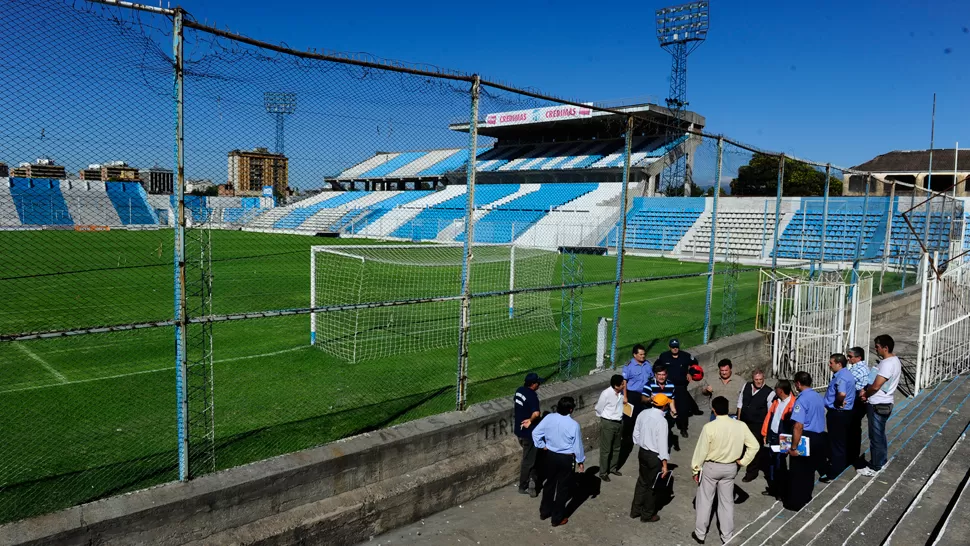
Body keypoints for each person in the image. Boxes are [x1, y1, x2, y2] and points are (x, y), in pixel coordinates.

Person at [691, 396, 760, 545]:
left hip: (711, 467)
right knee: (727, 503)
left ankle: (700, 534)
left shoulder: (709, 427)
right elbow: (754, 446)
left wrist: (696, 469)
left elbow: (701, 451)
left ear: (713, 410)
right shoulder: (740, 425)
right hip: (730, 468)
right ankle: (727, 536)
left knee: (705, 501)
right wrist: (743, 462)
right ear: (728, 408)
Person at [532, 396, 585, 527]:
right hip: (566, 458)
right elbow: (577, 445)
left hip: (550, 455)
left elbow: (536, 433)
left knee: (549, 484)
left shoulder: (549, 418)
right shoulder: (574, 425)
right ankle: (557, 518)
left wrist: (542, 445)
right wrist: (580, 461)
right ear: (571, 410)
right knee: (563, 488)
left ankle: (544, 511)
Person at [858, 334, 901, 478]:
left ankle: (875, 466)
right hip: (884, 402)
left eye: (877, 347)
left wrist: (866, 394)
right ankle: (880, 460)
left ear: (885, 348)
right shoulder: (894, 360)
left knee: (875, 436)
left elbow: (876, 386)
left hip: (878, 404)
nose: (875, 349)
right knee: (880, 434)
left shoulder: (887, 364)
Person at [785, 371, 826, 511]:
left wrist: (794, 447)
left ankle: (795, 502)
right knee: (809, 470)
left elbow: (798, 426)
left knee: (798, 471)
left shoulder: (801, 400)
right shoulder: (818, 396)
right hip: (818, 436)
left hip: (805, 437)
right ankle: (807, 496)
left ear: (797, 383)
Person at [630, 393, 672, 523]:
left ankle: (635, 510)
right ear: (664, 406)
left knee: (642, 481)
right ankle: (647, 514)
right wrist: (664, 464)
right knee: (652, 486)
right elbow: (662, 445)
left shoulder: (643, 414)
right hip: (654, 456)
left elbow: (635, 434)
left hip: (642, 452)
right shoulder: (662, 421)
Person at [655, 338, 701, 437]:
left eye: (676, 347)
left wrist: (690, 373)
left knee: (683, 409)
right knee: (663, 408)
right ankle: (663, 429)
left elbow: (695, 364)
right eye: (673, 347)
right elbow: (656, 367)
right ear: (669, 347)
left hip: (681, 387)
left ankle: (683, 428)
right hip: (667, 387)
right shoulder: (664, 356)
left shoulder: (685, 356)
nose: (675, 349)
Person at [737, 369, 775, 483]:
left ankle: (751, 472)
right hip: (744, 422)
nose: (758, 382)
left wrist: (765, 430)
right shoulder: (746, 386)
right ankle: (736, 465)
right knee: (740, 446)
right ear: (753, 379)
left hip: (758, 425)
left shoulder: (769, 392)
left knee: (754, 448)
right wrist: (738, 419)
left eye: (760, 380)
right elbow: (740, 403)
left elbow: (770, 412)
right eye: (756, 380)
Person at [823, 353, 856, 479]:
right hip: (845, 414)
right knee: (841, 441)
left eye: (831, 363)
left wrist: (837, 403)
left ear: (839, 364)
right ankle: (841, 464)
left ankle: (834, 471)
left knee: (836, 442)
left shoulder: (841, 377)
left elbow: (841, 393)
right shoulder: (847, 374)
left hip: (838, 414)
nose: (829, 365)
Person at [760, 380, 795, 500]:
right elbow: (769, 416)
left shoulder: (793, 403)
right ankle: (774, 488)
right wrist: (765, 433)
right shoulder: (776, 400)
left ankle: (782, 490)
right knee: (772, 463)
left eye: (776, 389)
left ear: (780, 390)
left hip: (784, 437)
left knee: (781, 464)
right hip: (773, 435)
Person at [514, 372, 542, 497]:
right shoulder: (532, 396)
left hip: (519, 431)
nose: (539, 384)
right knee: (529, 460)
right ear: (532, 384)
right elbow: (536, 413)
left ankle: (532, 480)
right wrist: (530, 420)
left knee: (533, 458)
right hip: (529, 433)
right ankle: (523, 485)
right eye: (537, 382)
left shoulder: (519, 391)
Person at [595, 374, 626, 481]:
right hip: (608, 423)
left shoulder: (621, 393)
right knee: (606, 449)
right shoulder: (606, 394)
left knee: (617, 447)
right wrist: (605, 420)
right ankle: (603, 472)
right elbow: (599, 408)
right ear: (616, 386)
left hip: (619, 422)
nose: (624, 385)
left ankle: (613, 468)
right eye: (622, 384)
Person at [644, 363, 679, 451]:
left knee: (664, 435)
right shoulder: (649, 384)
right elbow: (643, 398)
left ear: (666, 375)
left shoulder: (671, 385)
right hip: (652, 416)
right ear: (655, 375)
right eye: (659, 375)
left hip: (665, 415)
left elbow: (671, 399)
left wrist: (673, 410)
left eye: (663, 375)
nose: (661, 377)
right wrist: (649, 399)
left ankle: (663, 452)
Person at [846, 346, 870, 469]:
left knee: (853, 428)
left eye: (850, 356)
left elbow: (846, 382)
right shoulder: (858, 367)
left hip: (856, 402)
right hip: (856, 401)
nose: (848, 358)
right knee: (853, 428)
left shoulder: (858, 370)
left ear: (858, 358)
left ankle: (852, 454)